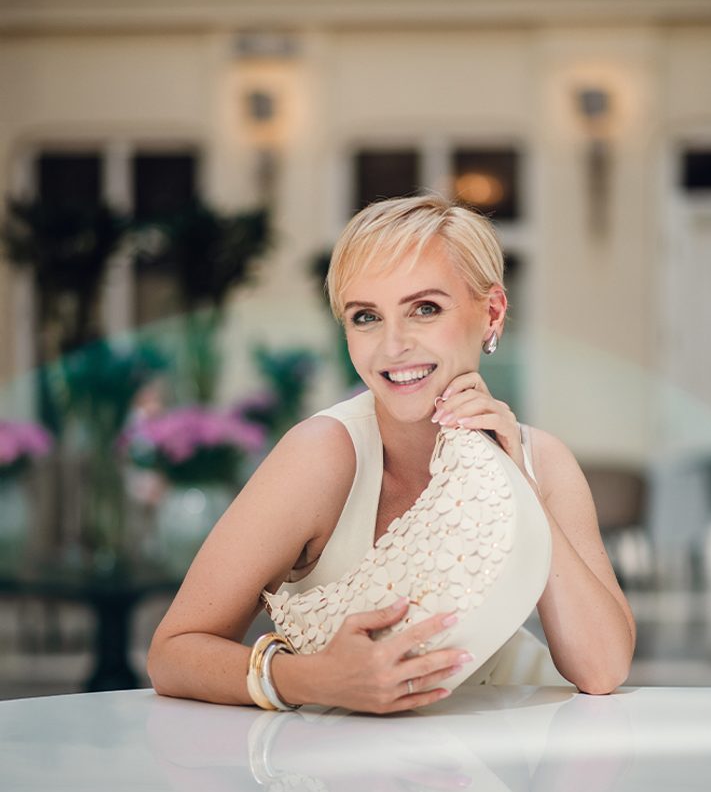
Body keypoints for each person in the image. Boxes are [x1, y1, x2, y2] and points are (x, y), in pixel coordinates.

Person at [148, 194, 635, 712]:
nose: (392, 345)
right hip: (342, 756)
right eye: (366, 317)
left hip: (514, 745)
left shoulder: (543, 460)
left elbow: (601, 670)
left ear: (492, 313)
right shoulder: (321, 455)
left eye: (425, 309)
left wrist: (516, 479)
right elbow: (172, 654)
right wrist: (311, 681)